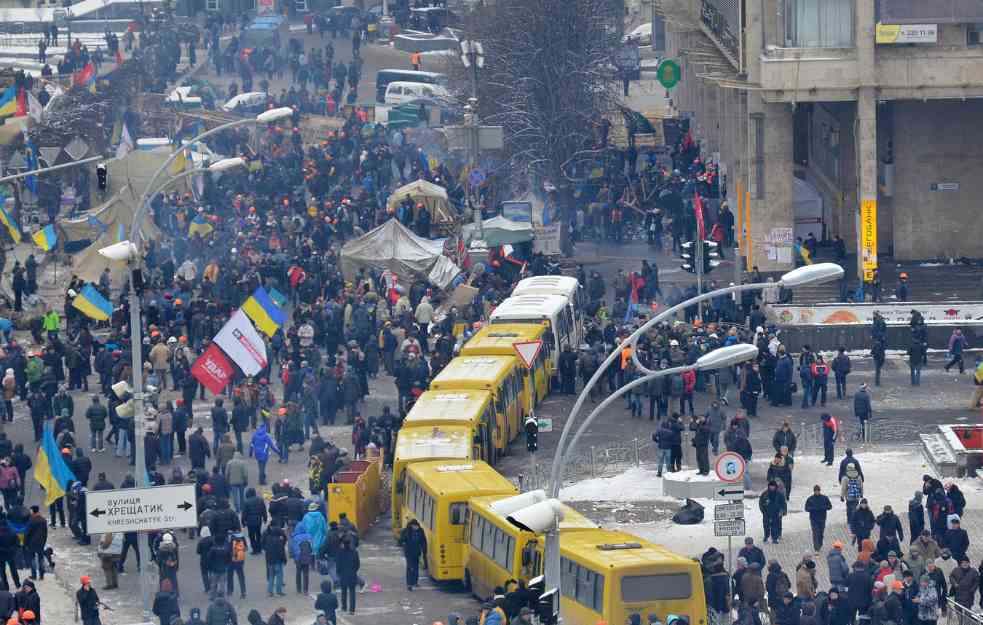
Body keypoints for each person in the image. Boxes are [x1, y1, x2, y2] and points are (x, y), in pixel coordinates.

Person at [398, 518, 427, 591]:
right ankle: (409, 584)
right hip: (409, 552)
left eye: (416, 526)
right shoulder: (406, 531)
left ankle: (415, 582)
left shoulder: (420, 530)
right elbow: (401, 540)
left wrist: (424, 551)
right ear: (411, 526)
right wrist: (403, 543)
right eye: (414, 526)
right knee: (410, 568)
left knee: (416, 567)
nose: (416, 527)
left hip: (417, 552)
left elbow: (423, 541)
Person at [336, 538, 360, 614]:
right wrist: (354, 571)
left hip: (343, 575)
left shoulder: (340, 553)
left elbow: (338, 565)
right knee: (352, 592)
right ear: (350, 543)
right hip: (352, 574)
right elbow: (357, 565)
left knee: (343, 592)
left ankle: (344, 608)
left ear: (343, 544)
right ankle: (352, 610)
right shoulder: (355, 552)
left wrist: (339, 573)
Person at [805, 485, 832, 553]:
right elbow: (806, 508)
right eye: (815, 491)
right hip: (813, 518)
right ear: (814, 491)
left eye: (818, 491)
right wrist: (813, 509)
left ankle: (820, 544)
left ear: (819, 491)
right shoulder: (810, 499)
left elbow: (829, 506)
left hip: (822, 518)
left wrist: (823, 508)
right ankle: (816, 548)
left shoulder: (824, 498)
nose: (817, 492)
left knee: (820, 533)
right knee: (815, 533)